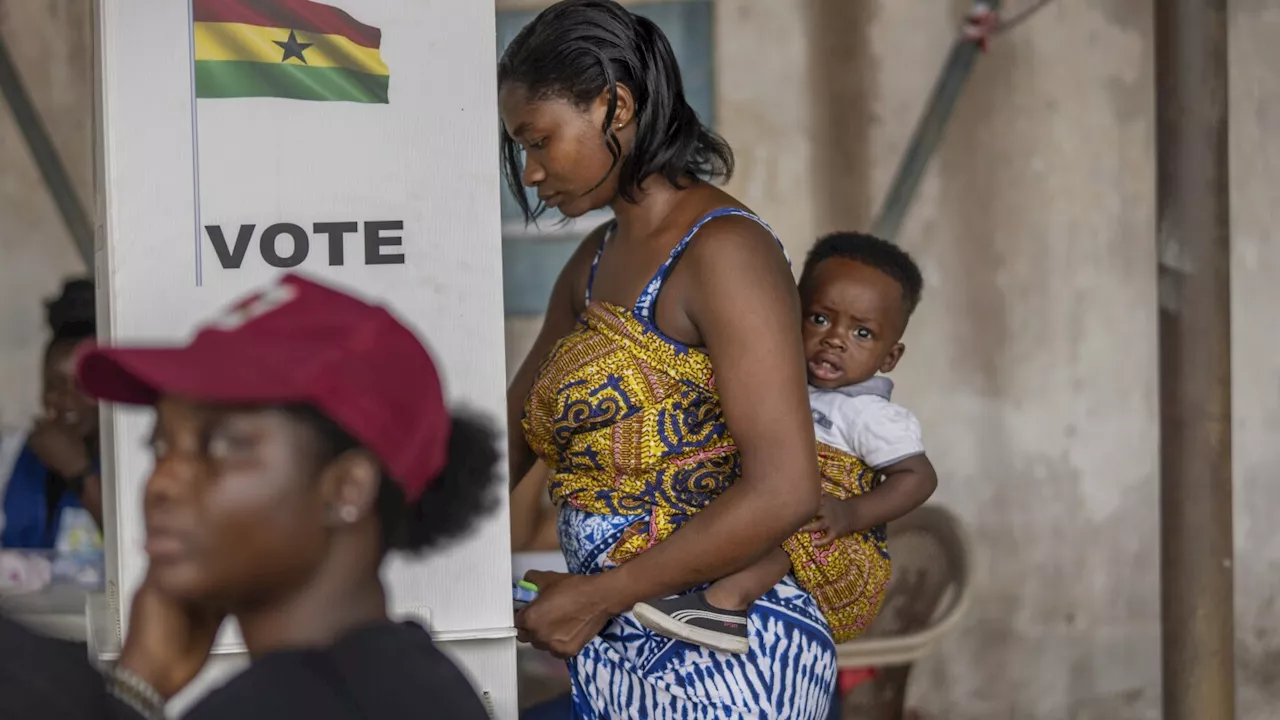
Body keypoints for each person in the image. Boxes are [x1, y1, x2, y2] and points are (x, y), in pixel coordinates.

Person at [500, 1, 835, 716]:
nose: (530, 174)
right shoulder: (592, 263)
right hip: (618, 649)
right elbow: (510, 439)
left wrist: (601, 593)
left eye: (539, 141)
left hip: (730, 656)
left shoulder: (724, 253)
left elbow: (785, 490)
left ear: (614, 107)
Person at [0, 273, 496, 719]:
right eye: (161, 446)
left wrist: (134, 693)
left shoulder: (276, 707)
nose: (164, 481)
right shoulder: (415, 677)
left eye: (224, 445)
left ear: (347, 487)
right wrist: (139, 682)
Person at [632, 232, 940, 652]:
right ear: (789, 314)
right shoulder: (780, 383)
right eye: (819, 319)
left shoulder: (872, 415)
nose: (835, 338)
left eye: (862, 333)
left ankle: (725, 604)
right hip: (771, 521)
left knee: (792, 507)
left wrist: (850, 514)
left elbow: (918, 477)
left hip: (841, 553)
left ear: (889, 358)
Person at [1, 278, 103, 548]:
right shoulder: (11, 455)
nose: (66, 399)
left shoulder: (133, 461)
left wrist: (79, 471)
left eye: (83, 385)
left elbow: (134, 549)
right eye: (55, 385)